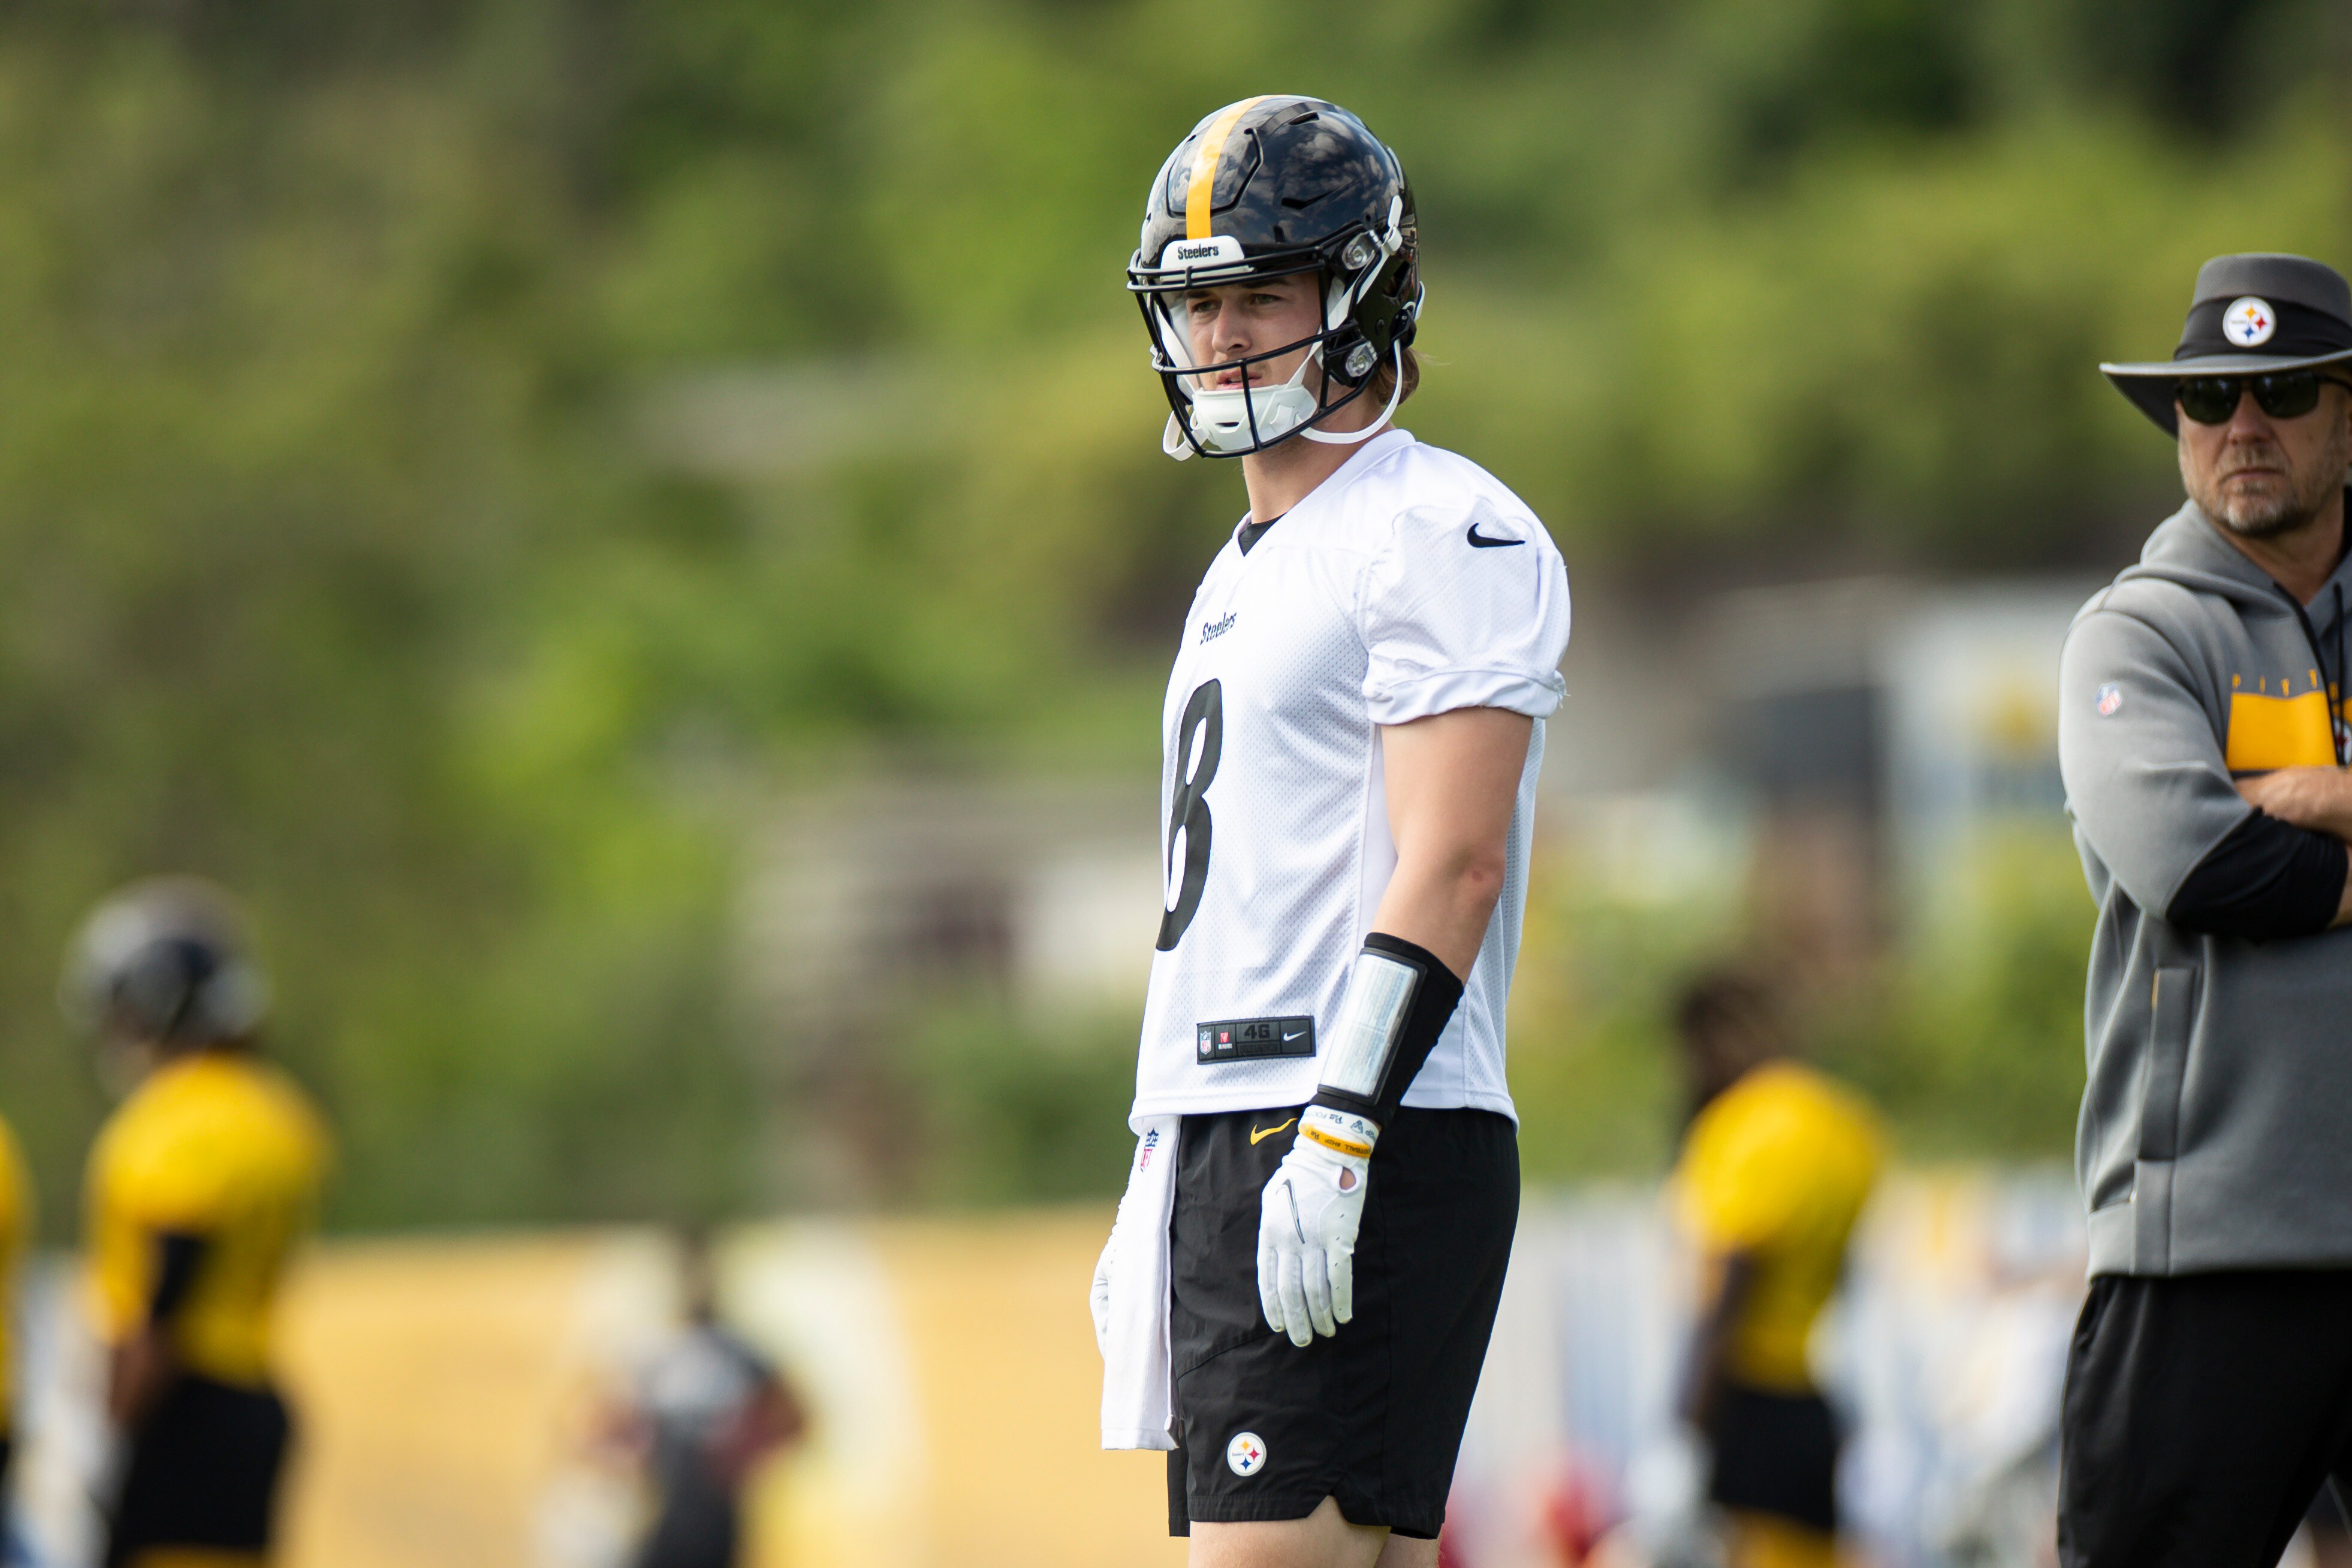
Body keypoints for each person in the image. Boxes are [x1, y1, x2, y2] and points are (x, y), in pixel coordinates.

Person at [1090, 95, 1572, 1568]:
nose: (1222, 335)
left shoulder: (1434, 525)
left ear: (1360, 294)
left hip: (1352, 1113)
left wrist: (1342, 1117)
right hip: (1234, 1126)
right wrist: (1153, 1155)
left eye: (1259, 293)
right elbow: (1234, 896)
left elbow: (1453, 859)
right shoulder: (1249, 561)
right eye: (1196, 300)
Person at [2057, 252, 2352, 1566]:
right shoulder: (2135, 636)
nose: (2243, 426)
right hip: (2206, 1252)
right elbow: (2211, 872)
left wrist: (2324, 795)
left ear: (2350, 415)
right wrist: (2265, 824)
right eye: (2210, 397)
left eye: (2284, 391)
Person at [61, 878, 331, 1568]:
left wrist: (110, 1436)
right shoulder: (280, 1116)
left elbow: (163, 1303)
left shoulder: (175, 1124)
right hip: (256, 1402)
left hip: (180, 1415)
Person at [1667, 970, 1880, 1568]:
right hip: (1810, 1407)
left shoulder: (1748, 1126)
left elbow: (1730, 1290)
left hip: (1746, 1412)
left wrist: (1685, 1430)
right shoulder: (1846, 1125)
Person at [611, 1228, 805, 1568]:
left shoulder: (740, 1353)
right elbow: (607, 1429)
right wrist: (633, 1459)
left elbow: (797, 1420)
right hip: (664, 1519)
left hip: (719, 1525)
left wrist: (743, 1458)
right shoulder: (655, 1354)